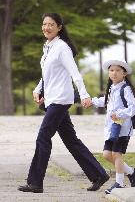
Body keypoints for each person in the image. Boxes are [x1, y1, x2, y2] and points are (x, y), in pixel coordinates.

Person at [18, 13, 109, 193]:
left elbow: (75, 74)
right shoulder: (48, 47)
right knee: (71, 140)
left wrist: (84, 95)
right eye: (44, 24)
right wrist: (38, 89)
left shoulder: (62, 48)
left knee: (43, 137)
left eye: (51, 24)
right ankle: (98, 174)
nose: (47, 27)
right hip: (53, 99)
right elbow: (47, 75)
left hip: (60, 100)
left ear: (59, 27)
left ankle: (35, 182)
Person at [91, 59, 135, 194]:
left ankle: (119, 183)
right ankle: (132, 172)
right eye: (111, 70)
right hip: (112, 128)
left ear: (124, 74)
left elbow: (133, 108)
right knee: (107, 155)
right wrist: (92, 101)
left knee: (116, 154)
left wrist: (119, 113)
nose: (114, 73)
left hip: (123, 128)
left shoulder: (126, 89)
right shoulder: (112, 88)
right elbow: (105, 101)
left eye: (118, 70)